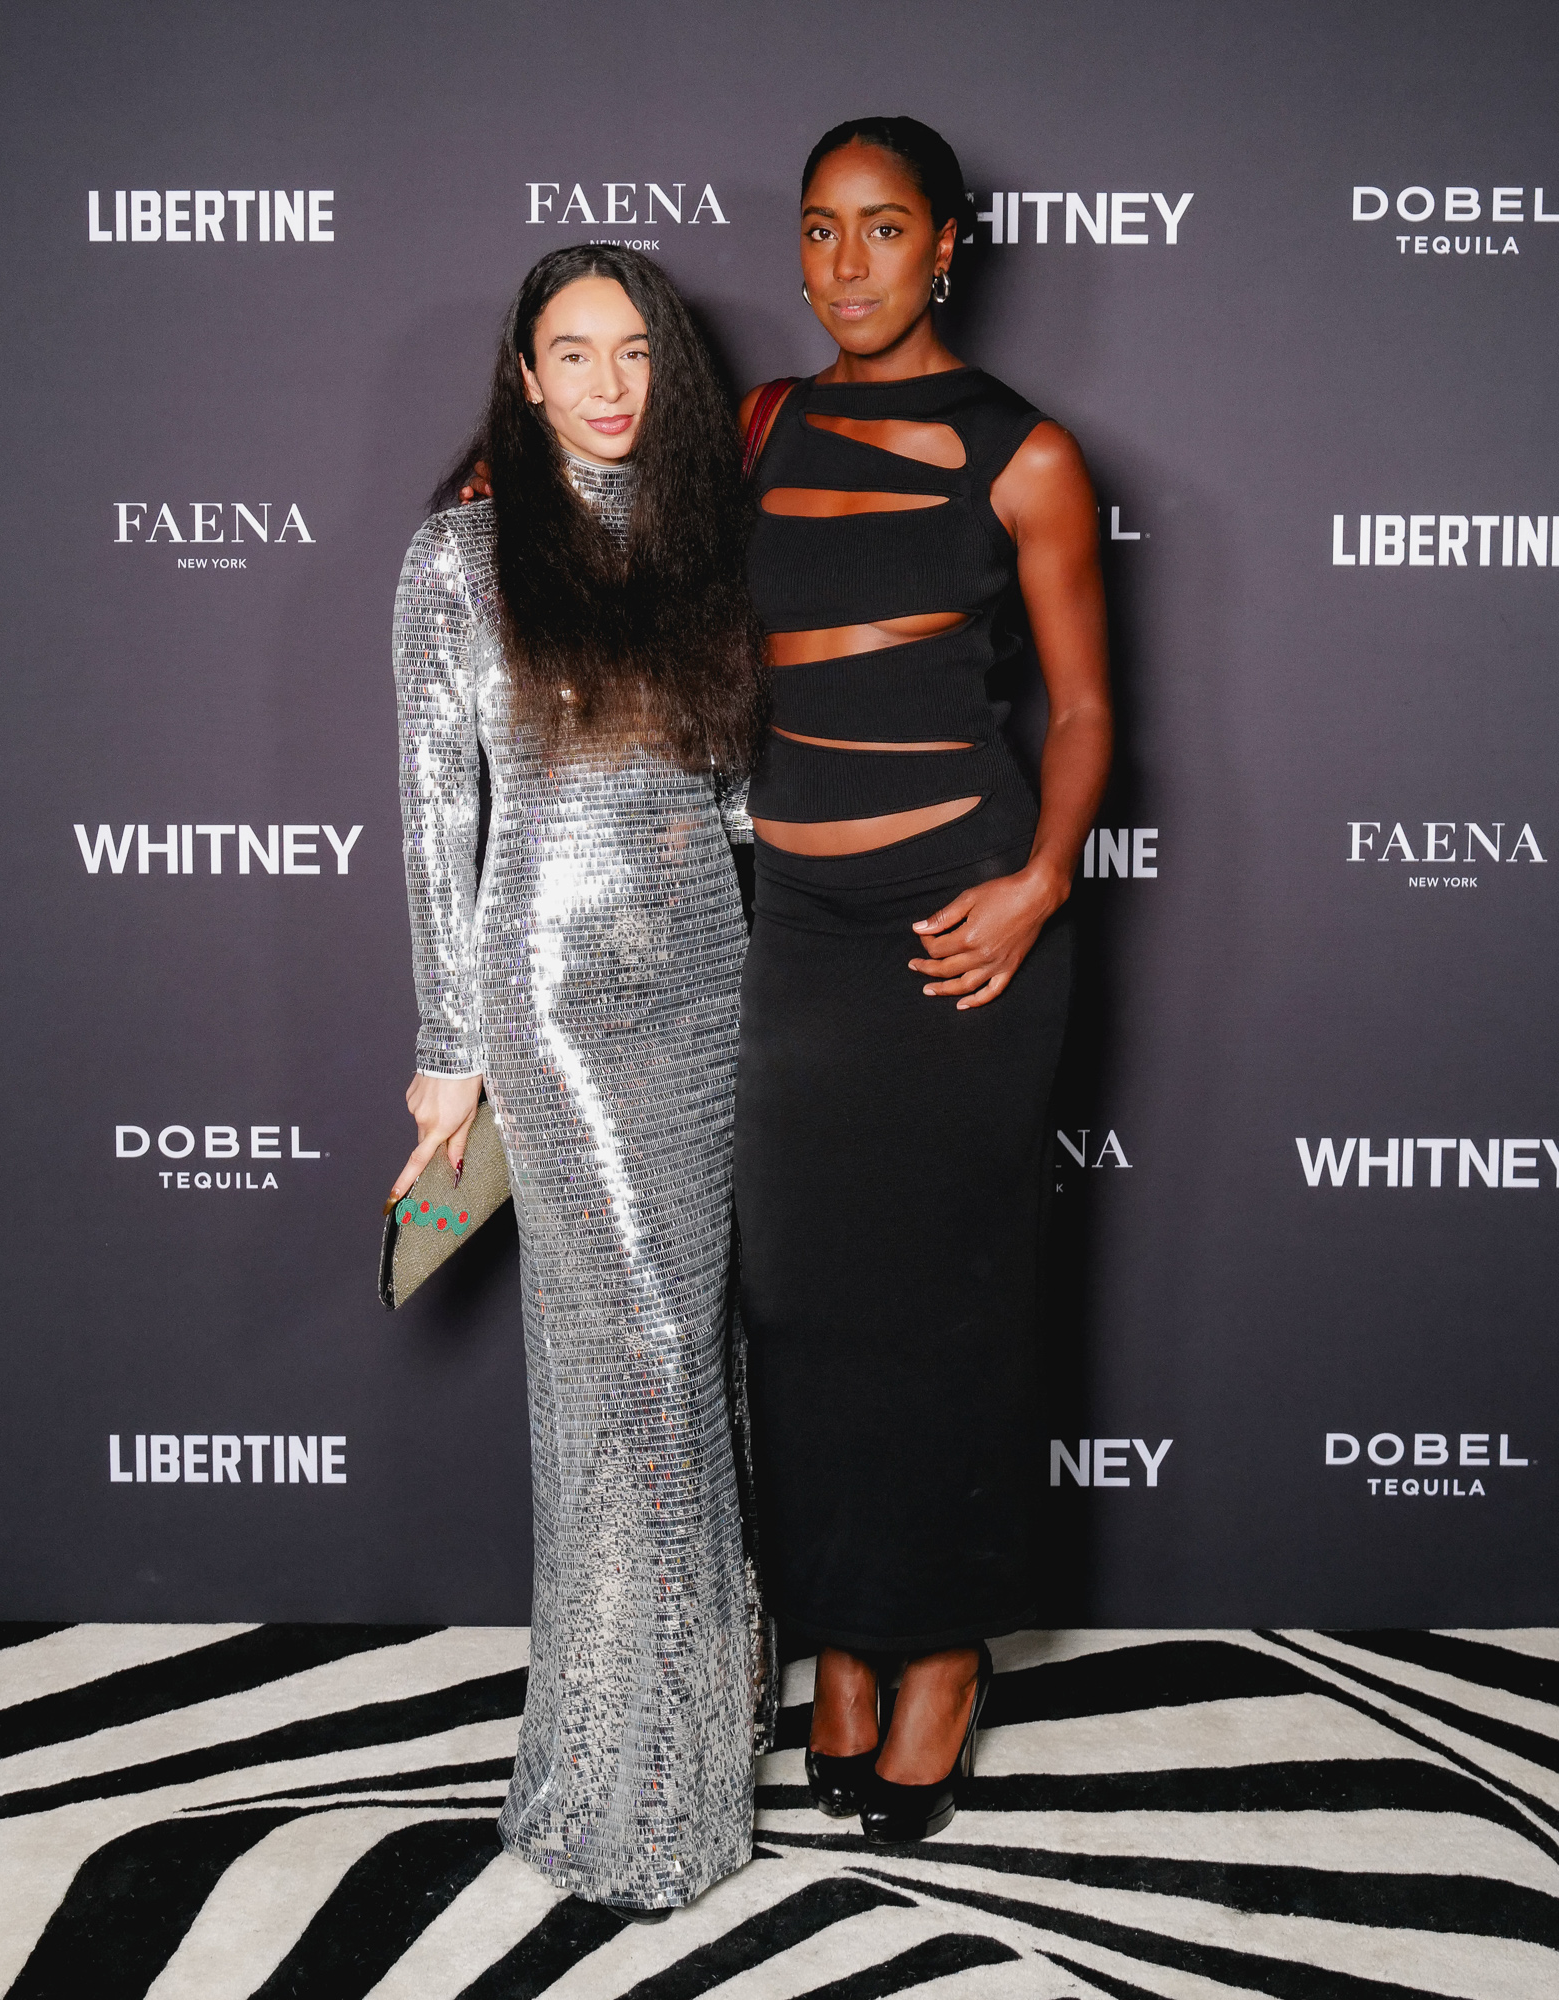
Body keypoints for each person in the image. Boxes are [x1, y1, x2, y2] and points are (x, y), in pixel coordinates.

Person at [734, 117, 1112, 1843]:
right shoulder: (759, 426)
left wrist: (1038, 885)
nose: (847, 264)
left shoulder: (1026, 454)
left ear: (947, 244)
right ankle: (844, 1641)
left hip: (966, 926)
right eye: (821, 230)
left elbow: (1084, 709)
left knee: (952, 1297)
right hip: (800, 930)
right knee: (806, 1301)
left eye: (884, 229)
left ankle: (943, 1653)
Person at [390, 244, 770, 1914]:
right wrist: (445, 1057)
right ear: (525, 376)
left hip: (711, 982)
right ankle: (635, 1795)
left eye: (635, 352)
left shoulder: (701, 542)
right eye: (574, 352)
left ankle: (674, 1742)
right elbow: (436, 816)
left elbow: (737, 798)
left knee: (693, 1364)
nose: (609, 384)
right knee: (642, 1375)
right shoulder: (460, 557)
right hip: (550, 1001)